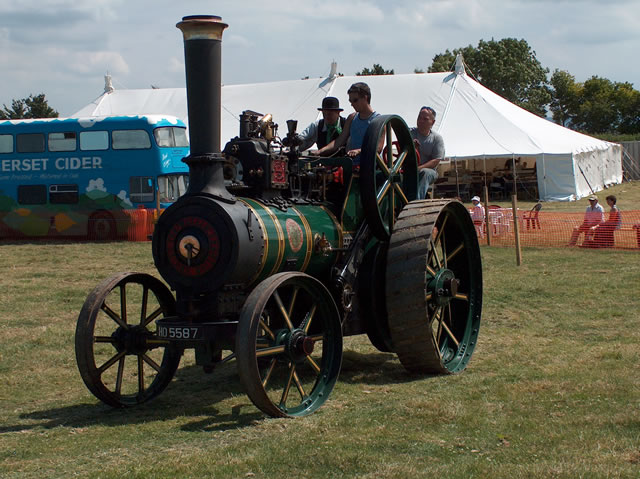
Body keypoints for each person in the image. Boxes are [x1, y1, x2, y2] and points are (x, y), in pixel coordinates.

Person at [316, 82, 380, 166]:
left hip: (371, 167)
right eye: (350, 101)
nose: (352, 104)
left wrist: (358, 151)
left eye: (355, 100)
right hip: (351, 165)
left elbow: (378, 148)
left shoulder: (378, 120)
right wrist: (320, 151)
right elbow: (339, 141)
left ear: (365, 97)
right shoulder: (351, 118)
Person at [411, 106, 445, 199]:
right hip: (410, 169)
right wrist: (409, 145)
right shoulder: (410, 133)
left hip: (430, 171)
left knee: (424, 173)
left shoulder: (436, 138)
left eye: (425, 119)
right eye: (419, 118)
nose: (421, 121)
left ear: (432, 122)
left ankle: (416, 201)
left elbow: (436, 161)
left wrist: (419, 168)